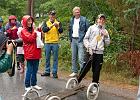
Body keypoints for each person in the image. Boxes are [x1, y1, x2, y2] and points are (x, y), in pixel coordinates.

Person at [83, 14, 110, 84]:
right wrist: (88, 47)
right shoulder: (91, 28)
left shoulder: (105, 31)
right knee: (85, 68)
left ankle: (94, 85)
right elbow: (85, 39)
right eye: (100, 19)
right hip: (90, 51)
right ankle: (76, 81)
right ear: (97, 20)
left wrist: (106, 36)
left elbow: (107, 44)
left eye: (103, 20)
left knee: (97, 70)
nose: (102, 21)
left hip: (99, 53)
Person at [21, 15, 42, 91]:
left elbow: (38, 37)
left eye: (31, 20)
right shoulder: (23, 31)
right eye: (28, 21)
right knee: (29, 69)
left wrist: (39, 30)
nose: (30, 22)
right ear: (25, 22)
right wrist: (36, 31)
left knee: (35, 69)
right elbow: (30, 39)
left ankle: (34, 84)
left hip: (36, 51)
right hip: (29, 53)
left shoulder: (33, 29)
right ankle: (27, 85)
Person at [41, 10, 63, 78]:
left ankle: (54, 72)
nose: (52, 16)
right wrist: (51, 26)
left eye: (53, 15)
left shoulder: (58, 22)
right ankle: (47, 71)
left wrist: (57, 27)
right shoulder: (46, 22)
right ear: (49, 15)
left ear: (55, 16)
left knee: (55, 58)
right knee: (47, 58)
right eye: (51, 15)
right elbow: (44, 30)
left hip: (55, 43)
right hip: (47, 42)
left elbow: (61, 31)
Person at [69, 6, 89, 77]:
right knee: (73, 57)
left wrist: (86, 41)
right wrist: (70, 40)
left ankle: (82, 73)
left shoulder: (84, 19)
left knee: (81, 58)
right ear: (73, 13)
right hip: (73, 40)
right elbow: (70, 30)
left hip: (81, 40)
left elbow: (88, 31)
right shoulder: (72, 20)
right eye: (76, 12)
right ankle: (74, 71)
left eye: (78, 11)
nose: (78, 13)